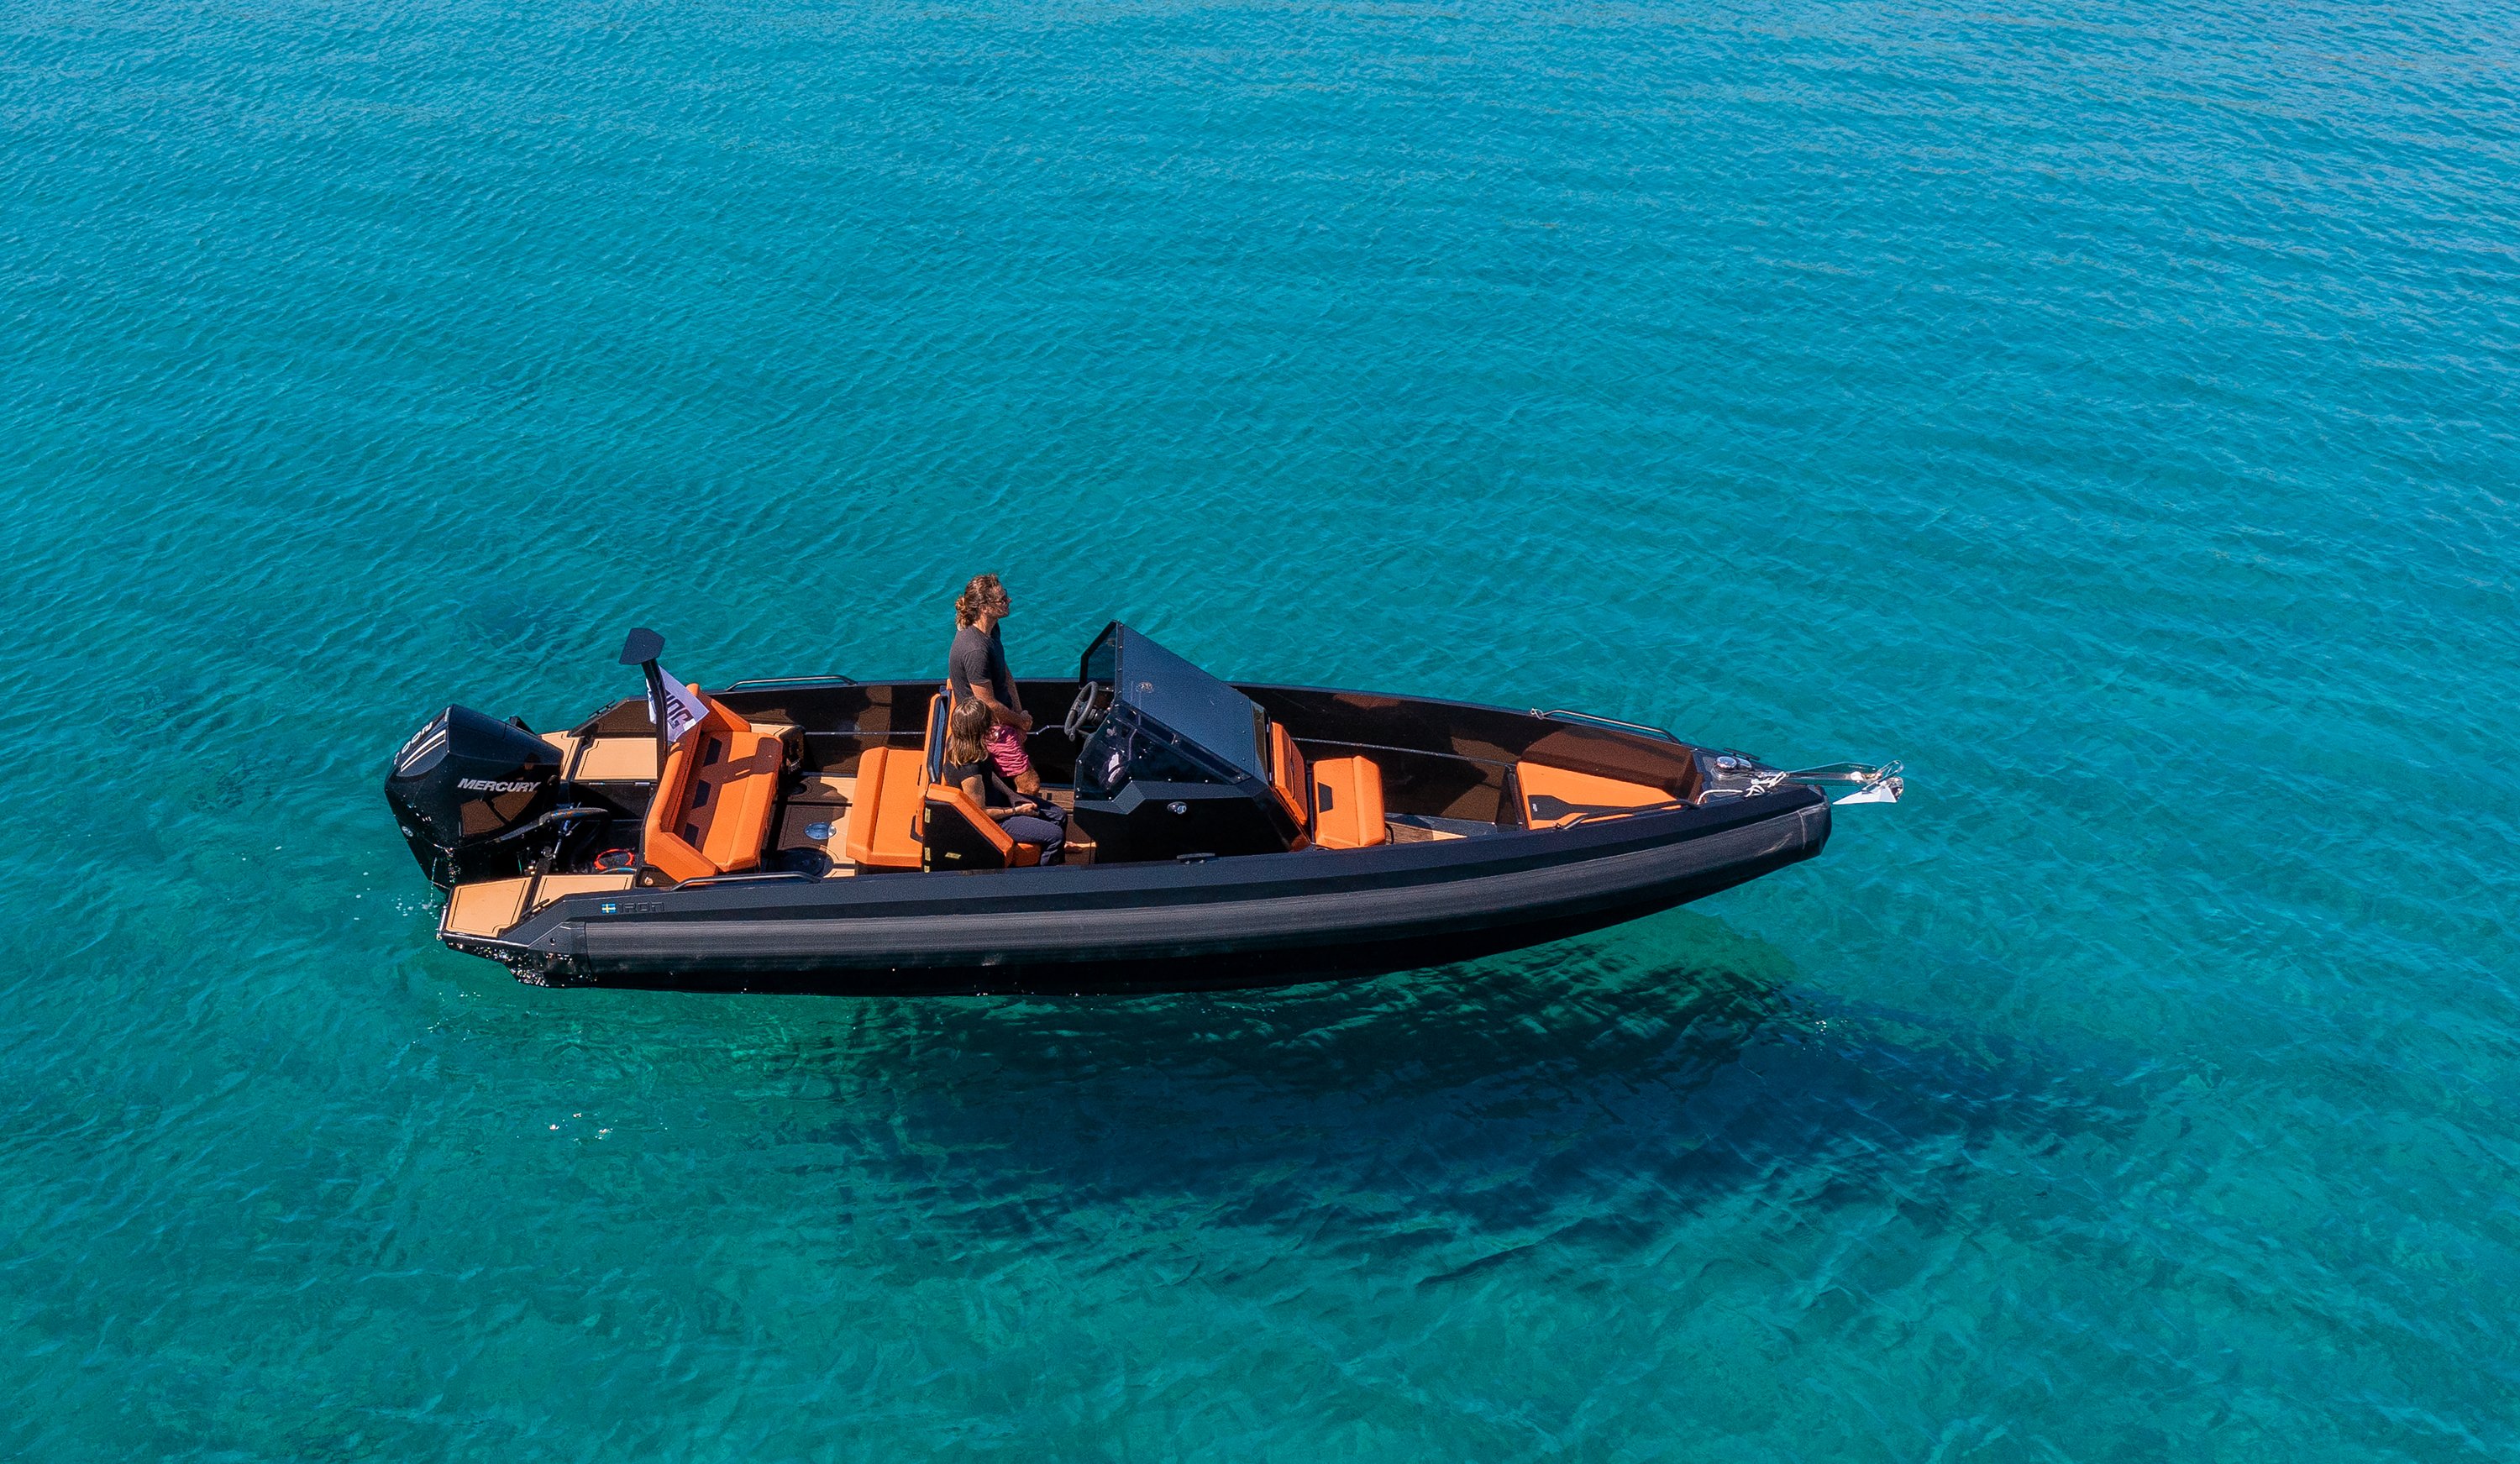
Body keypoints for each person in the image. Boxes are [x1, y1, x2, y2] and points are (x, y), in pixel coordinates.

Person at [945, 573, 1041, 795]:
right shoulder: (975, 650)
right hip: (987, 727)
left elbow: (1004, 673)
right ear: (985, 607)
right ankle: (1017, 821)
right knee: (1031, 785)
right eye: (1002, 599)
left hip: (1003, 717)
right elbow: (986, 703)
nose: (1009, 601)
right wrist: (1019, 722)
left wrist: (1018, 716)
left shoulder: (992, 630)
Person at [942, 697, 1065, 858]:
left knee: (1059, 815)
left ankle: (1051, 859)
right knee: (1055, 836)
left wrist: (1012, 794)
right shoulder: (969, 771)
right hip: (995, 819)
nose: (993, 726)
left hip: (1000, 801)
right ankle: (1040, 876)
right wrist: (1017, 810)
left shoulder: (968, 744)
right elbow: (981, 813)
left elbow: (989, 774)